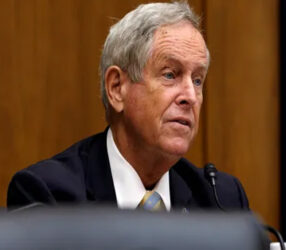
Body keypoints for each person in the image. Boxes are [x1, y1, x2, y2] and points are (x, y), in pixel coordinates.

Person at [7, 1, 249, 212]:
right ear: (116, 88)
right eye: (170, 75)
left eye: (197, 80)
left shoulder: (221, 201)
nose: (191, 96)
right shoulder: (49, 196)